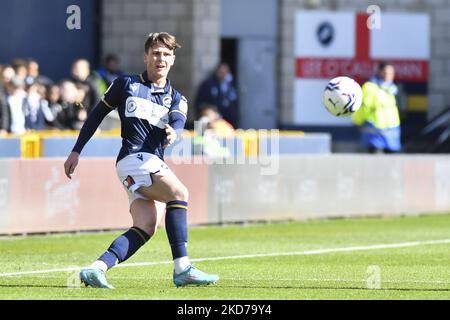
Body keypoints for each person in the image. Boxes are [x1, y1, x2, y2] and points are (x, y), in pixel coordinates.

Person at [63, 32, 219, 289]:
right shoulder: (125, 84)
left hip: (149, 162)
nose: (161, 58)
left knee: (147, 226)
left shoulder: (177, 98)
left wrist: (174, 131)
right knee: (179, 192)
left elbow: (178, 120)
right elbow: (96, 115)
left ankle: (97, 268)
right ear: (146, 56)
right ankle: (182, 268)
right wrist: (76, 150)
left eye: (166, 54)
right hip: (133, 158)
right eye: (156, 53)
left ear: (173, 59)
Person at [352, 61, 401, 153]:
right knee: (375, 161)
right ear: (380, 72)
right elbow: (363, 107)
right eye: (386, 73)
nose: (388, 76)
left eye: (391, 73)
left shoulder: (393, 89)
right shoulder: (370, 87)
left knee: (392, 163)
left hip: (392, 131)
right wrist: (358, 122)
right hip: (375, 131)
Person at [195, 62, 239, 128]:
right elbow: (200, 103)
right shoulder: (207, 84)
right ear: (217, 71)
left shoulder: (230, 85)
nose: (223, 74)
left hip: (225, 120)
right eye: (221, 71)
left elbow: (233, 101)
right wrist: (210, 111)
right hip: (209, 119)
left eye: (225, 72)